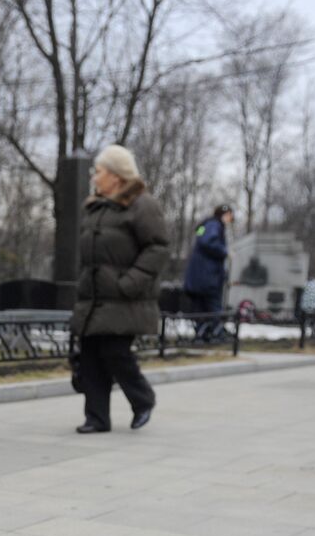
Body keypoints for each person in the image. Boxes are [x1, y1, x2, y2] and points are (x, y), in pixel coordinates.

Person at [71, 145, 170, 433]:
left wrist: (131, 281)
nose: (94, 176)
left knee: (115, 353)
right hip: (95, 298)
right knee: (90, 357)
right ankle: (96, 418)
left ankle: (143, 399)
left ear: (116, 175)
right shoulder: (94, 206)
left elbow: (158, 248)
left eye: (99, 171)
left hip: (125, 298)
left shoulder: (142, 204)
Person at [183, 204, 234, 341]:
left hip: (198, 276)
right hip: (208, 276)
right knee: (213, 305)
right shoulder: (214, 225)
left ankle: (202, 332)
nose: (230, 219)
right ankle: (215, 332)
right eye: (230, 215)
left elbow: (200, 237)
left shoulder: (204, 225)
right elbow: (207, 242)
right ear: (224, 214)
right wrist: (225, 251)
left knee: (200, 307)